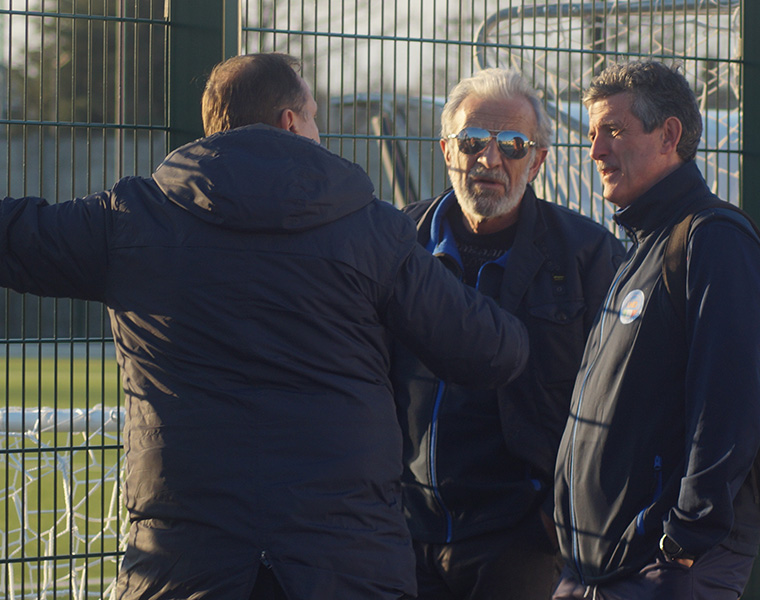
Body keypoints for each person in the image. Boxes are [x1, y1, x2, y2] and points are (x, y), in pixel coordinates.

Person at [0, 53, 530, 600]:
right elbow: (491, 350)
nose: (320, 132)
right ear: (290, 122)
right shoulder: (370, 231)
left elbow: (16, 236)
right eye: (315, 116)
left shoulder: (130, 219)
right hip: (344, 564)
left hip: (187, 564)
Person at [390, 68, 625, 600]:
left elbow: (619, 401)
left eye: (513, 146)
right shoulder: (400, 244)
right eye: (473, 141)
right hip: (403, 531)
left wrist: (554, 517)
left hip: (521, 539)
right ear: (447, 150)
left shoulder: (587, 256)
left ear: (537, 162)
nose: (489, 160)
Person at [553, 60, 760, 599]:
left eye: (613, 130)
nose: (595, 151)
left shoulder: (712, 241)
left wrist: (683, 539)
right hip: (596, 568)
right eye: (592, 134)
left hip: (664, 568)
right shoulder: (642, 247)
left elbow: (729, 405)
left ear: (669, 135)